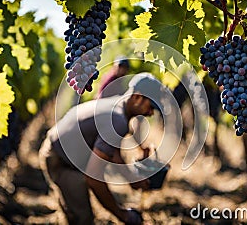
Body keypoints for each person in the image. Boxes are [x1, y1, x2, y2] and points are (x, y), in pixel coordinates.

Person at [40, 73, 165, 225]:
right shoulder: (118, 120)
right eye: (150, 106)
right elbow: (93, 178)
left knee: (76, 214)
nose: (151, 113)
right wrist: (122, 215)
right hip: (60, 160)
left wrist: (132, 178)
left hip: (58, 150)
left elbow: (114, 154)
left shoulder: (116, 105)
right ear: (138, 96)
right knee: (83, 220)